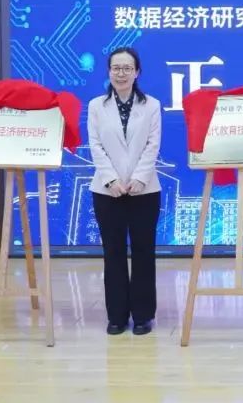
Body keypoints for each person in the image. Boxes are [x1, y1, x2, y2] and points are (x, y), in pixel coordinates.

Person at [87, 47, 162, 336]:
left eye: (127, 68)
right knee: (113, 252)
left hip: (145, 191)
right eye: (116, 68)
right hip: (107, 192)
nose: (121, 73)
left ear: (137, 72)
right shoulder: (96, 106)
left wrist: (140, 178)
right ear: (109, 72)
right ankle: (116, 316)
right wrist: (110, 180)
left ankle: (143, 315)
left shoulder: (152, 105)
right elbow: (96, 146)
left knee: (144, 252)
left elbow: (152, 145)